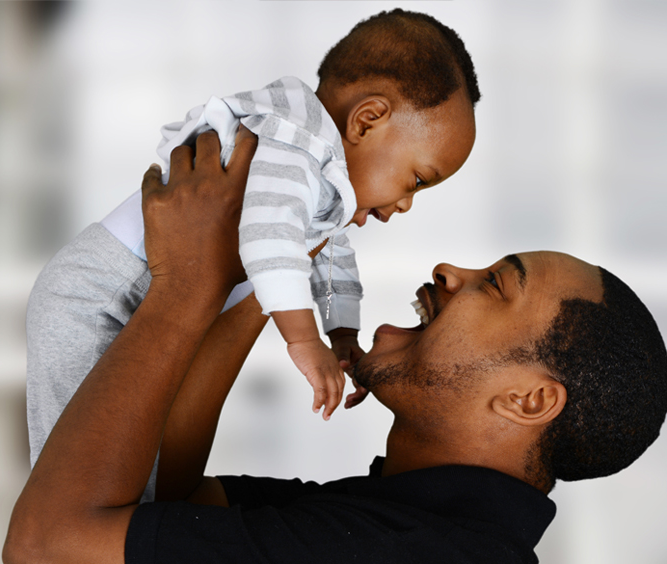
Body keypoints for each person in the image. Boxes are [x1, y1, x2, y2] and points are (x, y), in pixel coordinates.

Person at [5, 131, 667, 564]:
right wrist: (271, 270)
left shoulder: (407, 554)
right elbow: (160, 505)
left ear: (529, 399)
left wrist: (184, 290)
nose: (449, 272)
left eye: (495, 286)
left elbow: (44, 549)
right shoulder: (388, 520)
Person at [24, 10, 480, 505]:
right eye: (417, 179)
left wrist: (342, 331)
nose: (407, 204)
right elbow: (272, 243)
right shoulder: (293, 149)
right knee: (83, 490)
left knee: (130, 480)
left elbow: (328, 256)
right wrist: (304, 341)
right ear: (367, 120)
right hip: (92, 300)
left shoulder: (318, 178)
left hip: (136, 303)